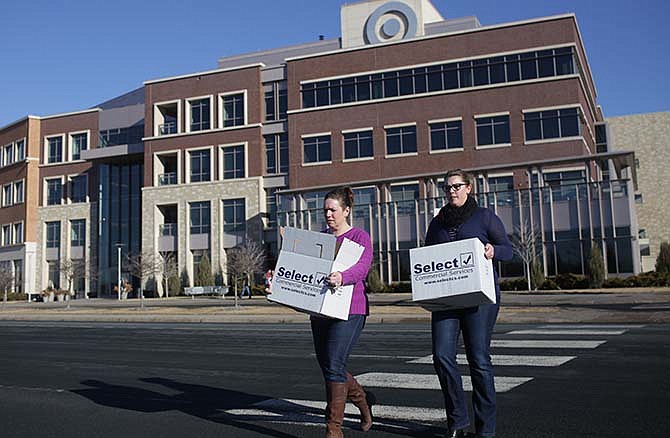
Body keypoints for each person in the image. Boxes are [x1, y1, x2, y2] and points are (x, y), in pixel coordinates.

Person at [424, 169, 513, 438]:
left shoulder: (485, 217)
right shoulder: (438, 222)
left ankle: (485, 429)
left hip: (480, 300)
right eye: (448, 187)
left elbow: (508, 250)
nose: (452, 191)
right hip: (447, 299)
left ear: (469, 188)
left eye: (457, 186)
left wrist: (493, 251)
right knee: (441, 355)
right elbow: (428, 256)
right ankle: (458, 420)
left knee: (479, 360)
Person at [311, 186, 376, 437]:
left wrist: (342, 276)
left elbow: (362, 267)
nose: (328, 214)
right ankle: (363, 402)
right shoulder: (321, 238)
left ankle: (333, 429)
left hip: (351, 308)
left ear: (346, 210)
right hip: (320, 310)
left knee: (335, 363)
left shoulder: (360, 237)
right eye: (325, 210)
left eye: (333, 210)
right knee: (329, 366)